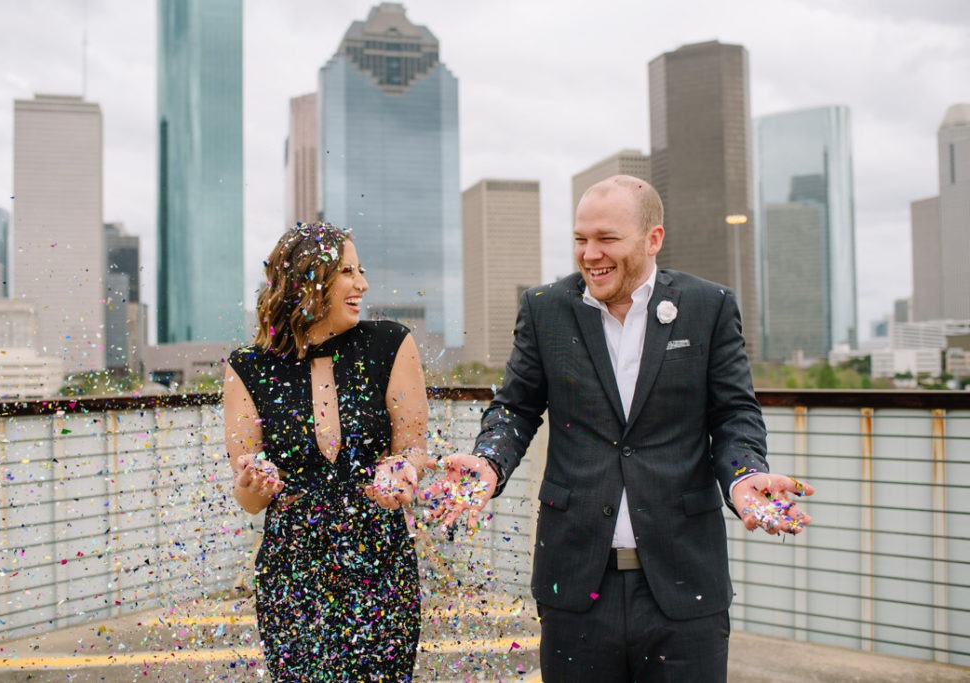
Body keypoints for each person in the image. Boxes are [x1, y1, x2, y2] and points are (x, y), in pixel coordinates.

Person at [429, 176, 813, 682]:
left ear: (653, 239)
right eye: (580, 239)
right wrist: (488, 461)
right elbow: (515, 408)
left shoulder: (709, 306)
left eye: (607, 239)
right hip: (575, 582)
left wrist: (744, 477)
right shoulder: (544, 308)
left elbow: (734, 414)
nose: (590, 254)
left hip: (685, 583)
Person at [223, 222, 429, 682]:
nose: (363, 284)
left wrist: (401, 471)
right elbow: (251, 501)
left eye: (361, 270)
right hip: (292, 572)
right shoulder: (247, 368)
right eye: (348, 272)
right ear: (308, 279)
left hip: (379, 561)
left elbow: (413, 447)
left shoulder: (391, 343)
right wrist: (252, 485)